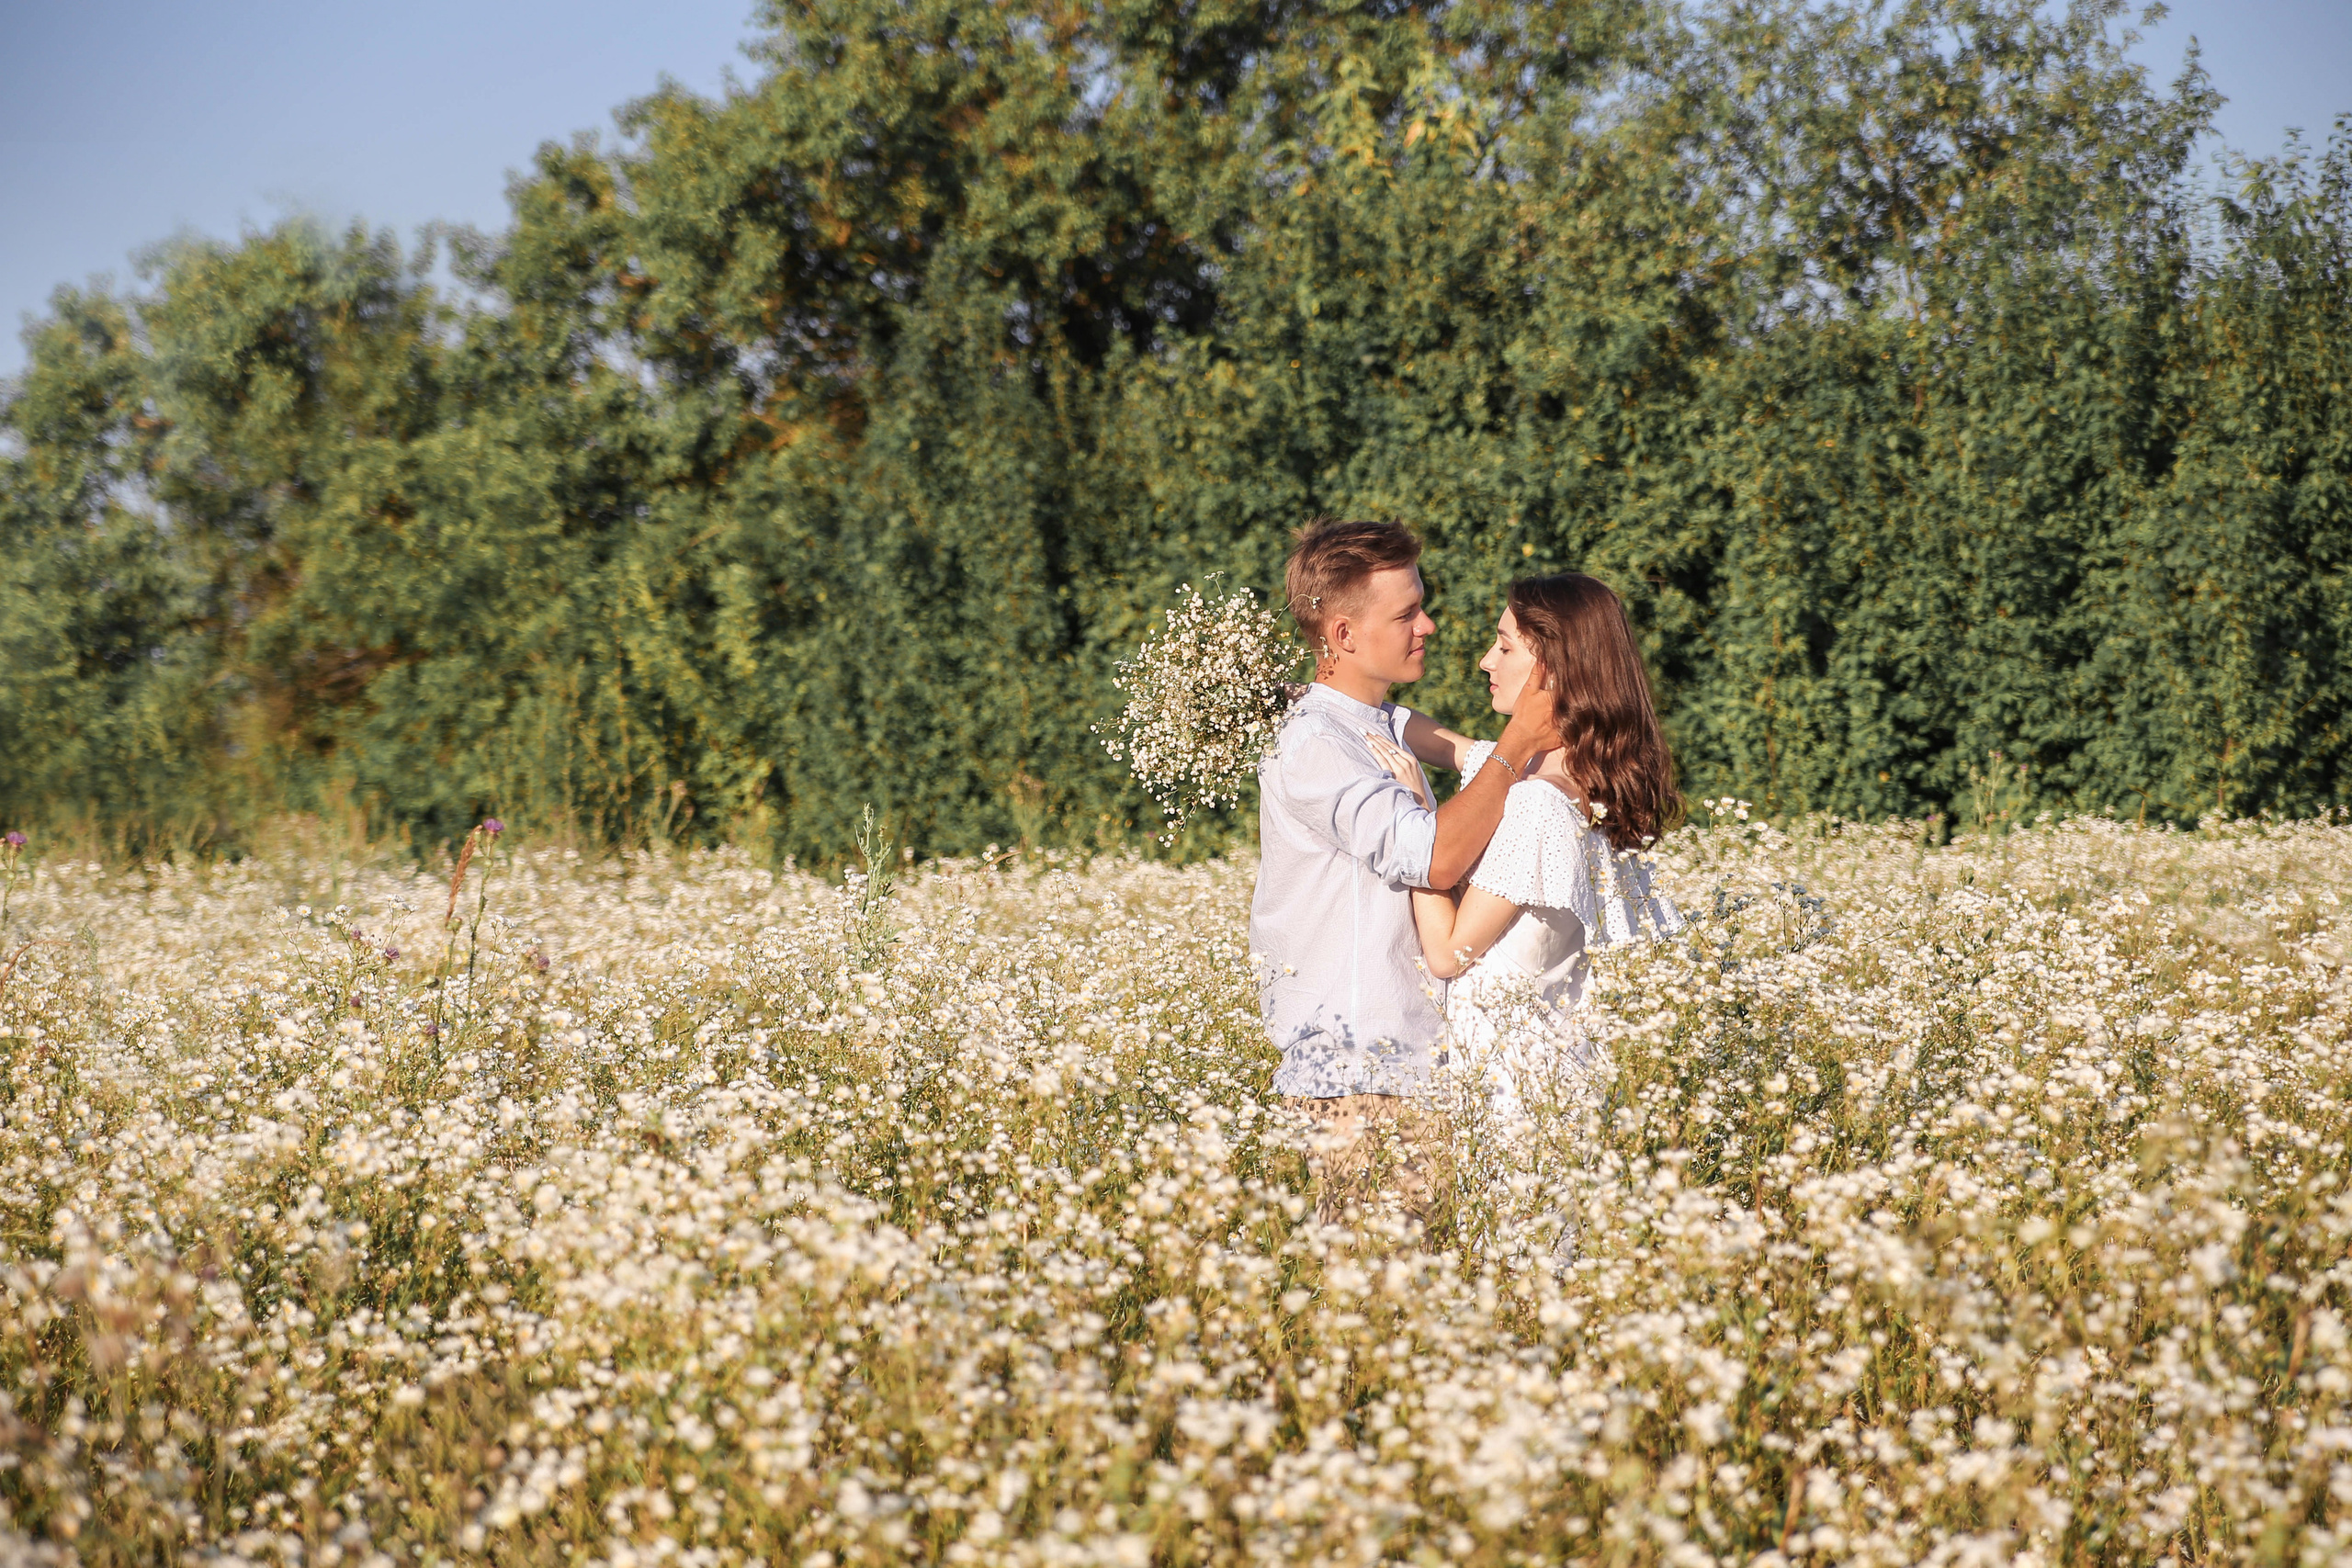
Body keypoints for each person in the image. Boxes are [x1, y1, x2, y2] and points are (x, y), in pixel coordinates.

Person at [1250, 519, 1562, 1230]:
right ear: (1344, 634)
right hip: (1361, 1080)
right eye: (1405, 613)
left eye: (1421, 603)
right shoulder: (1318, 746)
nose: (1427, 624)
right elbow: (1434, 856)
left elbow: (1462, 750)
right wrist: (1518, 742)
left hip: (1405, 1073)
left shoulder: (1375, 721)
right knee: (1380, 1309)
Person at [1366, 574, 1683, 1249]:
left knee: (1515, 1284)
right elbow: (1436, 738)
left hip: (1513, 1099)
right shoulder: (1572, 779)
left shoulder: (1539, 805)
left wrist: (1418, 824)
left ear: (1553, 670)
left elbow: (1449, 953)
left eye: (1504, 645)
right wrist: (1306, 699)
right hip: (1547, 1084)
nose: (1485, 659)